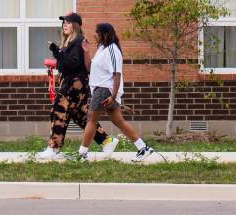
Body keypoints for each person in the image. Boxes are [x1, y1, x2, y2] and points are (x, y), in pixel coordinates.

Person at [34, 12, 119, 160]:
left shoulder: (79, 41)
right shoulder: (69, 43)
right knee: (79, 115)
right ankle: (106, 140)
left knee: (58, 110)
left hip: (75, 84)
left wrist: (57, 51)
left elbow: (73, 63)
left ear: (76, 25)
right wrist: (57, 58)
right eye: (63, 23)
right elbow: (66, 63)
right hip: (74, 84)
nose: (64, 25)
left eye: (68, 22)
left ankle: (53, 148)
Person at [78, 22, 156, 161]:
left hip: (105, 90)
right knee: (118, 121)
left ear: (105, 34)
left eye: (97, 32)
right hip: (102, 90)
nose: (94, 34)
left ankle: (82, 154)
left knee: (91, 120)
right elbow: (89, 68)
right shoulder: (102, 48)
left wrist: (113, 96)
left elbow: (117, 74)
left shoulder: (113, 50)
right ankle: (143, 148)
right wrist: (86, 51)